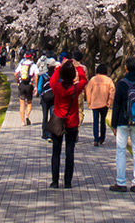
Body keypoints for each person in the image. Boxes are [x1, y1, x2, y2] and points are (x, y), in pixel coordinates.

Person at [110, 55, 135, 193]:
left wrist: (114, 124)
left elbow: (116, 105)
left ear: (126, 67)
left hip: (122, 121)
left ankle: (121, 182)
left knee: (121, 151)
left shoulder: (122, 84)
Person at [47, 54, 88, 188]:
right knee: (70, 152)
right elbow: (83, 79)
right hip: (72, 123)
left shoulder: (57, 88)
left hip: (58, 121)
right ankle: (68, 182)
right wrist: (78, 67)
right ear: (72, 75)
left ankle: (54, 181)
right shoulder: (76, 89)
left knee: (56, 152)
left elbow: (52, 79)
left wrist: (59, 67)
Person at [85, 63, 115, 145]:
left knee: (95, 122)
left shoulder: (93, 79)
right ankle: (102, 138)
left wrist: (89, 102)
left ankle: (95, 139)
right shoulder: (109, 80)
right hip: (104, 104)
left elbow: (88, 91)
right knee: (102, 121)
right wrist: (109, 102)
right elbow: (112, 92)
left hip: (94, 104)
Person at [15, 52, 36, 126]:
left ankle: (22, 121)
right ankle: (27, 117)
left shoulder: (21, 64)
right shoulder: (33, 65)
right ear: (31, 57)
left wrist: (18, 82)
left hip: (22, 85)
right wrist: (36, 86)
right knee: (29, 102)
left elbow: (15, 74)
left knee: (22, 104)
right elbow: (36, 75)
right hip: (29, 86)